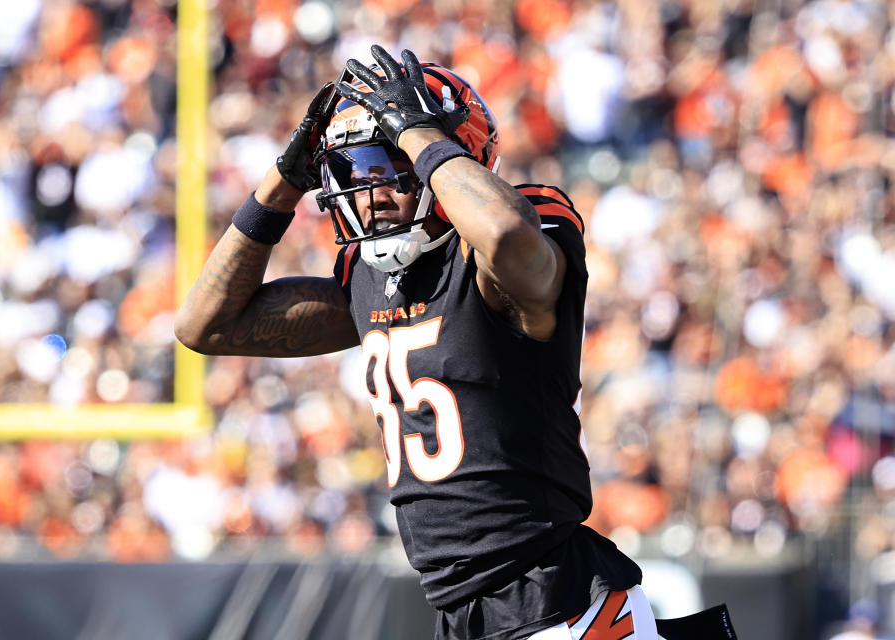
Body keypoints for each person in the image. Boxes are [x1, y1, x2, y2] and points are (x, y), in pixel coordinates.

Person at [176, 44, 737, 640]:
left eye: (384, 166)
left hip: (551, 595)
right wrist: (284, 180)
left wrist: (417, 131)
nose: (367, 192)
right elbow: (204, 325)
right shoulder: (367, 278)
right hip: (461, 608)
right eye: (352, 172)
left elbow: (504, 237)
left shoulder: (512, 238)